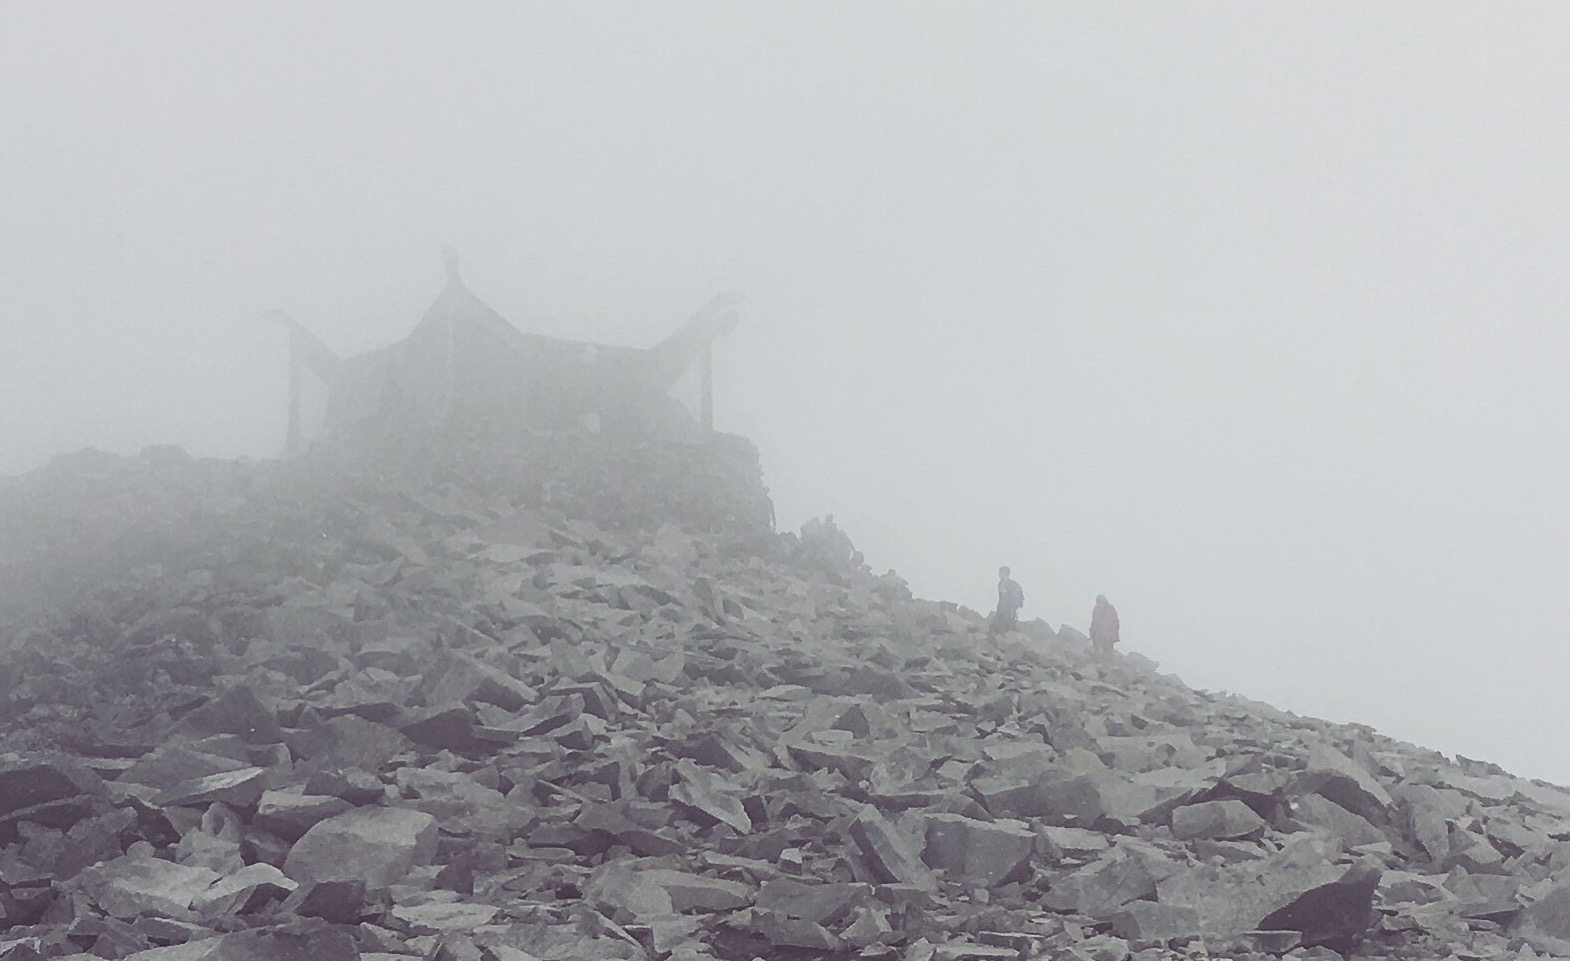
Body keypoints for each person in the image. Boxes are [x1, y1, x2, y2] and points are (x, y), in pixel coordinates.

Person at [990, 566, 1025, 636]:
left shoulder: (1006, 584)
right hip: (1007, 609)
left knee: (1001, 625)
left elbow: (1004, 597)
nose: (999, 575)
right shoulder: (1003, 584)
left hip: (1007, 609)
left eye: (1001, 573)